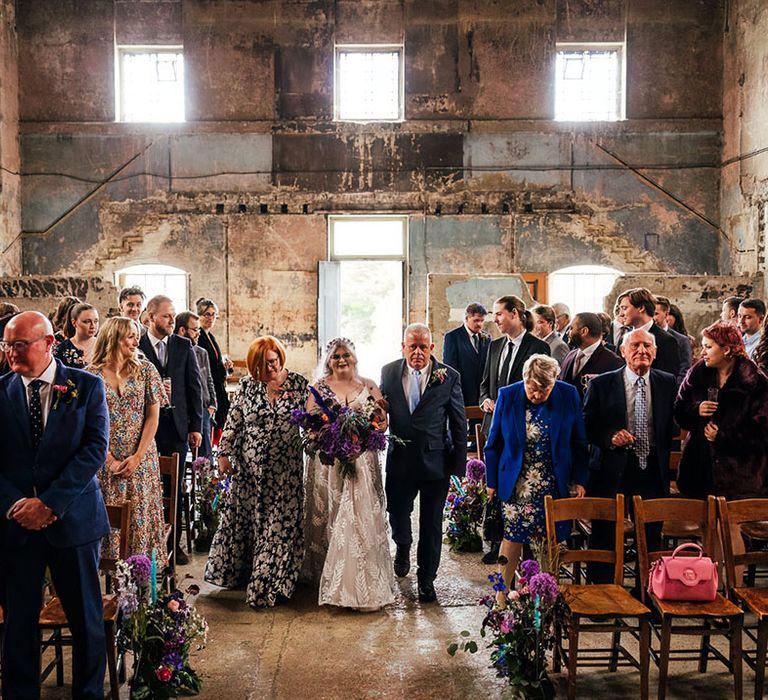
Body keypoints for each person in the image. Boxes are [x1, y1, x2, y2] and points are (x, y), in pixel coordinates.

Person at [0, 311, 109, 699]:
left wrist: (50, 503)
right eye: (7, 344)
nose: (11, 352)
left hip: (73, 522)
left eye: (19, 344)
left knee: (86, 622)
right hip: (16, 528)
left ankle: (89, 694)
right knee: (19, 623)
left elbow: (93, 450)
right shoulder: (1, 391)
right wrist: (16, 505)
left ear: (47, 343)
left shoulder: (86, 387)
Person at [204, 336, 307, 608]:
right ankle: (243, 572)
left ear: (280, 358)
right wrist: (223, 454)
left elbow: (317, 417)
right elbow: (234, 422)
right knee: (247, 524)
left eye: (273, 362)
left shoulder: (299, 384)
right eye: (262, 365)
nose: (269, 369)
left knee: (277, 529)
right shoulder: (248, 386)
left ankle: (267, 584)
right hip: (248, 472)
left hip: (285, 473)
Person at [302, 337, 396, 610]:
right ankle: (330, 577)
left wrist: (367, 433)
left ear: (354, 356)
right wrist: (327, 436)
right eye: (335, 356)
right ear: (328, 360)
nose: (341, 360)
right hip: (330, 465)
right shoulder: (319, 387)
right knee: (333, 517)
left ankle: (360, 580)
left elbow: (382, 421)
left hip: (361, 464)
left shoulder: (368, 386)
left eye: (346, 355)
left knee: (357, 519)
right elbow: (309, 423)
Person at [484, 354, 588, 598]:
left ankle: (545, 598)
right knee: (510, 541)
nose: (538, 394)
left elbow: (579, 442)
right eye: (533, 389)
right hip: (517, 483)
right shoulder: (508, 395)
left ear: (554, 382)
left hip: (553, 483)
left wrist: (580, 479)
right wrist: (491, 482)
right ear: (524, 380)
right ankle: (499, 598)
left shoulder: (568, 394)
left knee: (550, 544)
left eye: (545, 389)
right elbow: (493, 443)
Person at [380, 323, 466, 603]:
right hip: (400, 459)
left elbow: (458, 422)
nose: (417, 352)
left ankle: (427, 578)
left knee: (431, 524)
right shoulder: (389, 372)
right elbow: (381, 411)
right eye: (412, 346)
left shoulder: (448, 376)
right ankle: (402, 546)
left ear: (432, 348)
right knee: (397, 513)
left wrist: (458, 467)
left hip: (435, 462)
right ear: (402, 346)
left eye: (423, 347)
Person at [584, 329, 677, 585]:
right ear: (623, 351)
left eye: (647, 346)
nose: (642, 351)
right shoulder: (601, 384)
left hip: (651, 469)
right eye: (635, 346)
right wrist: (610, 436)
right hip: (612, 469)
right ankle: (602, 593)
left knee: (650, 536)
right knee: (604, 533)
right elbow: (587, 425)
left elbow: (675, 422)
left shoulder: (667, 382)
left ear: (655, 352)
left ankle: (649, 592)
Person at [87, 317, 168, 561]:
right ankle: (111, 583)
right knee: (109, 521)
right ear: (113, 338)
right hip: (105, 460)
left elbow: (153, 417)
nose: (137, 341)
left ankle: (142, 583)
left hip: (141, 458)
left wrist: (138, 457)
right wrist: (109, 460)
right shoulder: (90, 376)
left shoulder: (146, 370)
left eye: (137, 335)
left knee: (140, 519)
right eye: (130, 336)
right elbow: (87, 425)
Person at [139, 295, 202, 565]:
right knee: (150, 489)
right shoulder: (137, 343)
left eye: (173, 315)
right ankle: (150, 547)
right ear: (151, 317)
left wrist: (196, 426)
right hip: (145, 429)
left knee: (174, 488)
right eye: (166, 315)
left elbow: (194, 387)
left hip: (176, 427)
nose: (171, 320)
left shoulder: (182, 345)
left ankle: (175, 546)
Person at [674, 322, 768, 500]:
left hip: (740, 472)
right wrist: (696, 410)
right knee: (703, 522)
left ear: (726, 350)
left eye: (708, 347)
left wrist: (723, 436)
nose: (702, 353)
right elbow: (679, 411)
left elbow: (762, 431)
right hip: (699, 467)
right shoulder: (697, 374)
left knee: (731, 525)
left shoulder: (754, 381)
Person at [479, 295, 550, 436]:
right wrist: (485, 399)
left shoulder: (538, 347)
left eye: (499, 314)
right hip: (493, 424)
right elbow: (485, 383)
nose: (494, 320)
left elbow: (541, 388)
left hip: (522, 424)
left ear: (514, 313)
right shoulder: (494, 346)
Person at [175, 311, 217, 459]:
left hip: (203, 407)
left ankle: (207, 478)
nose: (198, 333)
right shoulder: (173, 352)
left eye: (199, 330)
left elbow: (209, 380)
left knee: (205, 451)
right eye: (195, 330)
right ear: (182, 330)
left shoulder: (201, 353)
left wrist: (212, 404)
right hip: (182, 409)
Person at [616, 288, 680, 377]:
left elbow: (667, 379)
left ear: (641, 308)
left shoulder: (666, 340)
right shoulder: (623, 338)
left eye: (624, 308)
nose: (621, 314)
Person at [560, 312, 623, 400]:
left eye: (571, 328)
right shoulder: (570, 355)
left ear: (584, 331)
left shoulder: (613, 362)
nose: (567, 332)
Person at [196, 297, 231, 444]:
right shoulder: (199, 337)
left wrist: (225, 366)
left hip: (218, 384)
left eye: (213, 314)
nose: (210, 318)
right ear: (199, 316)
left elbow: (215, 361)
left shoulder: (210, 336)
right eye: (206, 314)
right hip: (208, 386)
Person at [441, 302, 490, 406]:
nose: (480, 324)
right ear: (466, 319)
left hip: (483, 397)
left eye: (482, 321)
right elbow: (450, 368)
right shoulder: (452, 337)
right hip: (462, 394)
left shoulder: (487, 339)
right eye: (476, 320)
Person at [654, 295, 693, 377]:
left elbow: (685, 370)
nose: (652, 318)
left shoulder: (681, 340)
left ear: (666, 314)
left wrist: (674, 387)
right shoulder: (643, 336)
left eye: (656, 314)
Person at [54, 302, 99, 368]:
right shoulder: (61, 350)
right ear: (74, 323)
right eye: (87, 321)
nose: (93, 326)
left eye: (96, 321)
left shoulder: (104, 347)